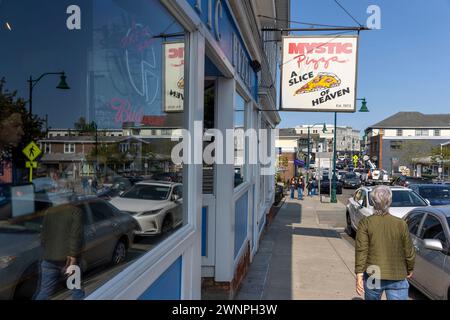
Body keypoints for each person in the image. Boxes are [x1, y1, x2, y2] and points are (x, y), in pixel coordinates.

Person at [355, 185, 415, 300]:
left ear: (372, 202)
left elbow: (361, 250)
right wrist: (410, 268)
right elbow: (408, 250)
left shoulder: (365, 223)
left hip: (373, 272)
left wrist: (359, 273)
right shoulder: (400, 223)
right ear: (390, 201)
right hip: (397, 272)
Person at [34, 198, 85, 300]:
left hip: (48, 259)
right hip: (68, 260)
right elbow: (75, 236)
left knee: (44, 292)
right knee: (76, 291)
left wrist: (49, 251)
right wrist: (73, 258)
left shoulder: (49, 211)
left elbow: (43, 236)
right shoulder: (76, 212)